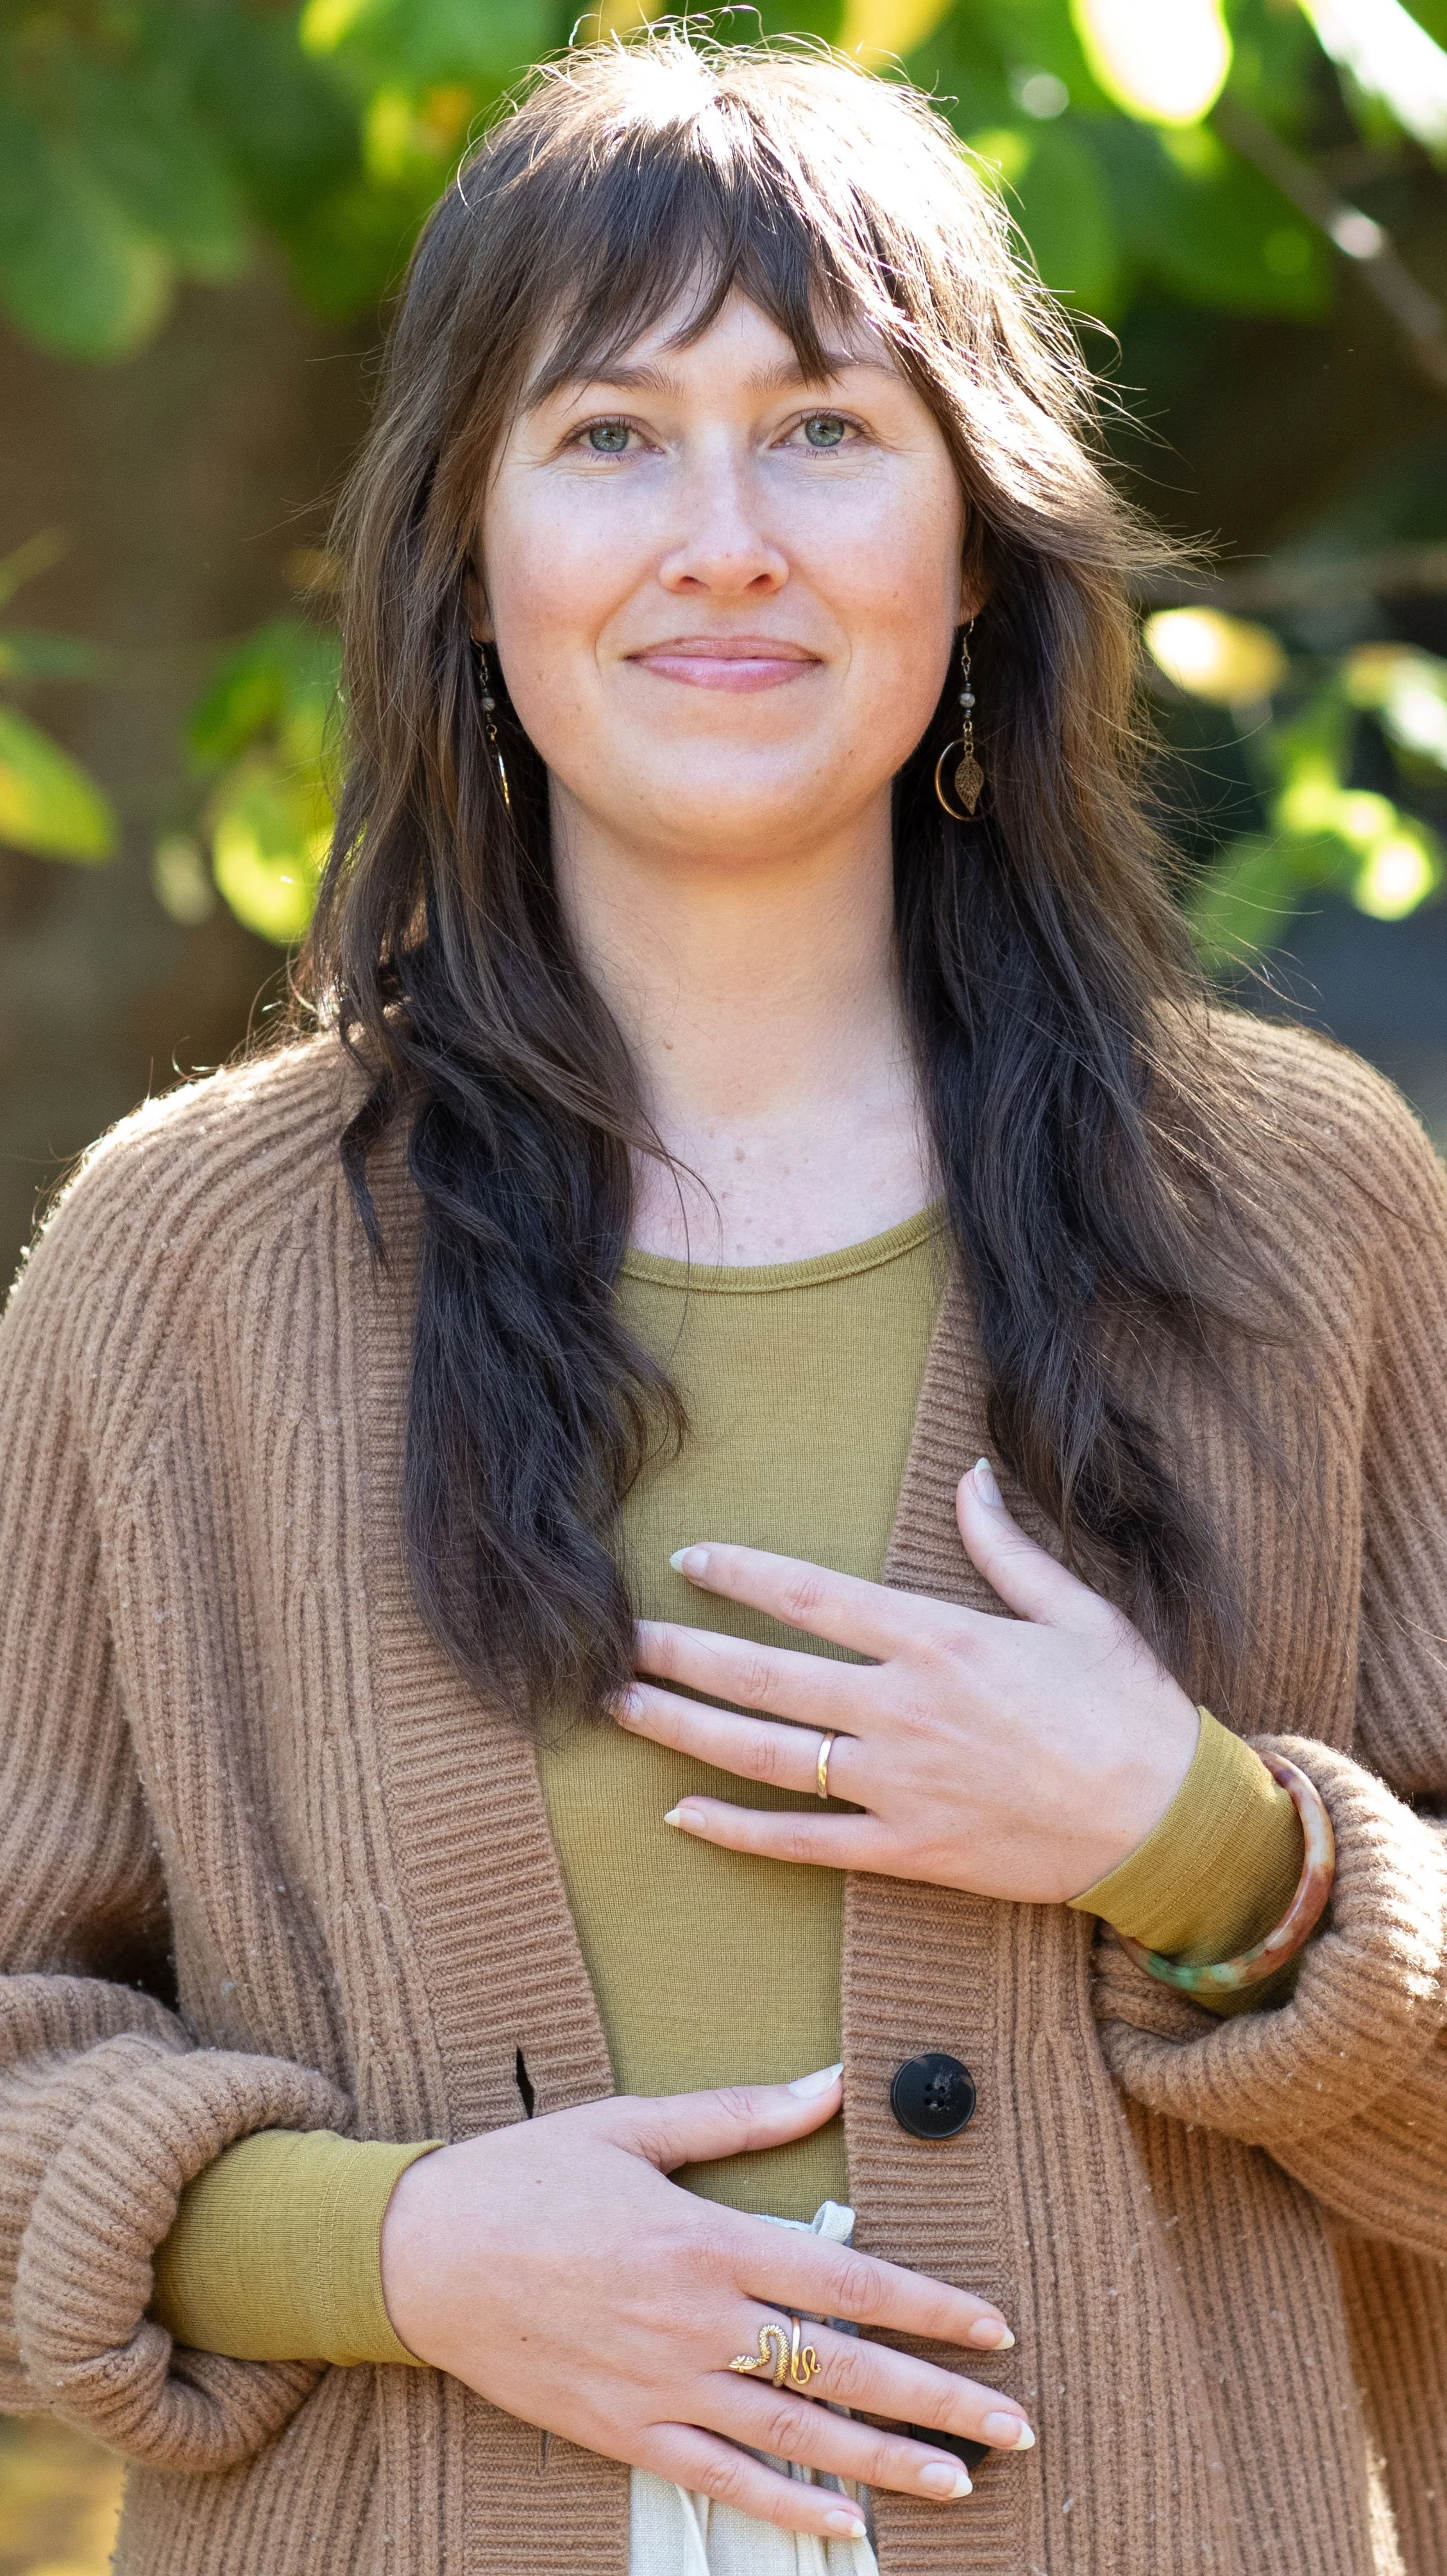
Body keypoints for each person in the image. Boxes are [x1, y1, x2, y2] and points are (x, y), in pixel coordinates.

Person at [1, 31, 1444, 2576]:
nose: (725, 540)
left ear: (976, 544)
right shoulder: (179, 1268)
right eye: (610, 437)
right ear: (467, 552)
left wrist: (1209, 1850)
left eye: (824, 433)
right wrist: (389, 2249)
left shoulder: (1301, 1214)